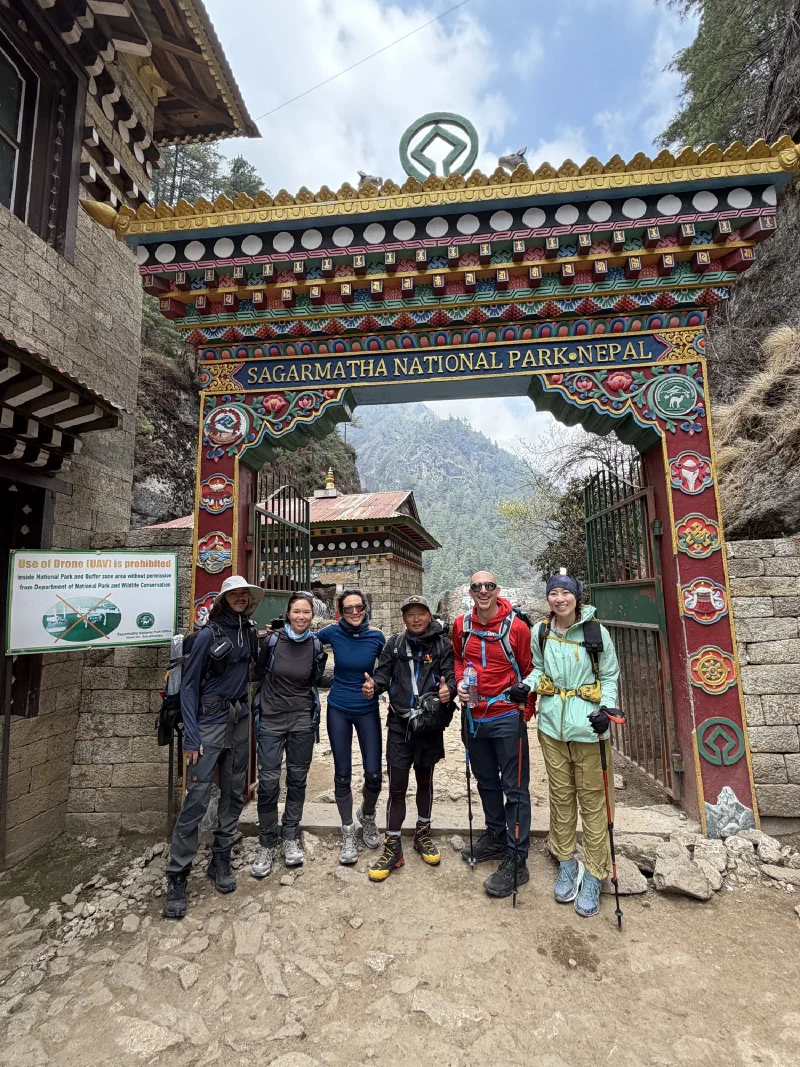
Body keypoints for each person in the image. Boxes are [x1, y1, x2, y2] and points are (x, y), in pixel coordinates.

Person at [518, 572, 620, 918]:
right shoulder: (541, 631)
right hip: (551, 728)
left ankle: (594, 873)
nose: (559, 599)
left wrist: (605, 711)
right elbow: (539, 669)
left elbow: (608, 676)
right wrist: (526, 687)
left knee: (593, 800)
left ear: (577, 597)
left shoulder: (596, 633)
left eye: (565, 593)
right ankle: (565, 861)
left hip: (588, 728)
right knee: (561, 796)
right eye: (553, 594)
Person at [164, 575, 263, 919]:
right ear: (224, 599)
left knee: (235, 789)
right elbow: (189, 688)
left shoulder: (249, 631)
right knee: (198, 794)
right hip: (208, 721)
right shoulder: (208, 635)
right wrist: (191, 736)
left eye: (244, 594)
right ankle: (178, 874)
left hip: (238, 719)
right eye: (234, 593)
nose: (240, 597)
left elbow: (253, 674)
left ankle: (221, 856)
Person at [452, 572, 536, 898]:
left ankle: (518, 859)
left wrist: (524, 714)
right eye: (476, 587)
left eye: (489, 586)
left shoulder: (517, 628)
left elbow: (528, 671)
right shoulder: (461, 625)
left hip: (506, 715)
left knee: (515, 789)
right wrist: (460, 681)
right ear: (470, 592)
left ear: (497, 590)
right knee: (485, 780)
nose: (483, 591)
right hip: (473, 715)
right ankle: (496, 835)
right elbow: (460, 659)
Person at [362, 595, 456, 881]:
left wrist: (448, 690)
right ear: (403, 618)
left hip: (428, 725)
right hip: (400, 725)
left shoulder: (443, 644)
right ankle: (393, 845)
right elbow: (382, 675)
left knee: (425, 781)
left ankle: (422, 833)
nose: (416, 619)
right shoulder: (394, 644)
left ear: (430, 615)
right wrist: (373, 687)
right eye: (410, 614)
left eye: (421, 614)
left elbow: (451, 677)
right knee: (397, 787)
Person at [250, 591, 328, 878]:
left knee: (297, 780)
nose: (301, 616)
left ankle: (290, 836)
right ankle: (267, 842)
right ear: (288, 613)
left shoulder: (316, 644)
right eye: (296, 611)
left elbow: (316, 678)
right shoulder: (272, 641)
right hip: (270, 718)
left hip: (301, 720)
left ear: (311, 615)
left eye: (306, 612)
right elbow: (258, 673)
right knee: (269, 783)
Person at [318, 590, 386, 864]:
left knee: (374, 774)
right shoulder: (331, 634)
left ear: (365, 608)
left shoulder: (377, 637)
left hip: (368, 709)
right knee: (343, 772)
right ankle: (347, 829)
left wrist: (377, 684)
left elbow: (389, 668)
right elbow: (300, 642)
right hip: (339, 709)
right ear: (340, 612)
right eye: (349, 609)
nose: (355, 612)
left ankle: (366, 816)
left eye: (359, 607)